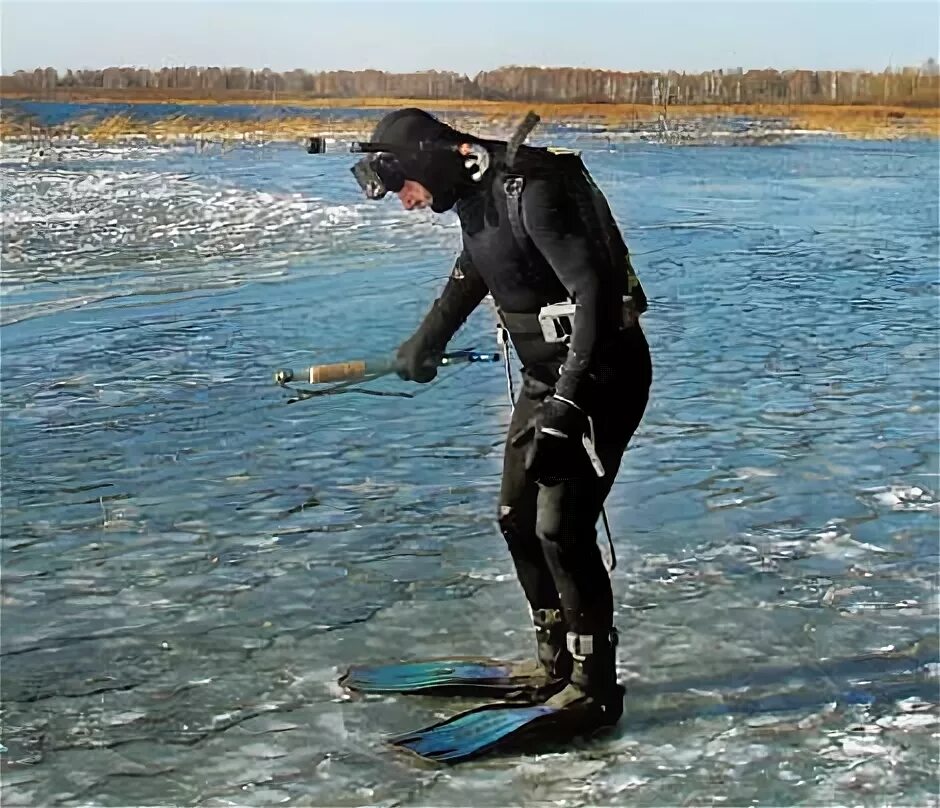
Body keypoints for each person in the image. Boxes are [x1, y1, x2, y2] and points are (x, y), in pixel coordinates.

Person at [346, 107, 653, 750]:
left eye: (403, 187)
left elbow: (593, 293)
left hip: (600, 375)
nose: (405, 204)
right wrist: (423, 343)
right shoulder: (475, 199)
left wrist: (569, 405)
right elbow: (477, 269)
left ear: (427, 160)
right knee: (516, 518)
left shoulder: (530, 192)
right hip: (547, 379)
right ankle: (555, 665)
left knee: (561, 528)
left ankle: (595, 688)